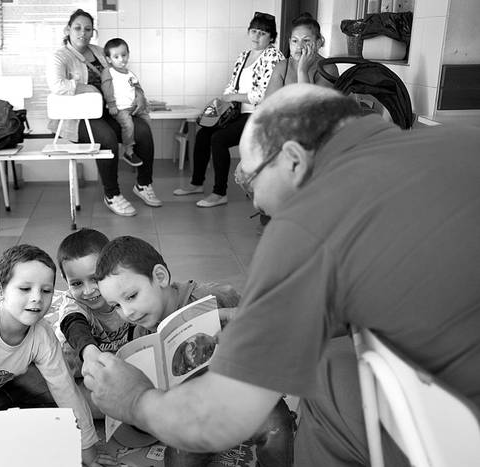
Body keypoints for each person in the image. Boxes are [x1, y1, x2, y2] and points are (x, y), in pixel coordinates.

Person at [82, 84, 480, 466]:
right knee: (341, 359)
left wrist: (135, 400)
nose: (252, 199)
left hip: (464, 435)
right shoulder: (462, 141)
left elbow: (218, 419)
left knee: (325, 378)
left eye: (250, 179)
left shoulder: (308, 224)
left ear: (293, 159)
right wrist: (246, 319)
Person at [93, 236, 294, 467]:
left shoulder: (216, 298)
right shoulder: (141, 335)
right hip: (196, 414)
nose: (127, 312)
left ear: (160, 277)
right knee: (179, 458)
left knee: (277, 425)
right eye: (116, 306)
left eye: (131, 296)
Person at [0, 244, 113, 467]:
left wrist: (87, 448)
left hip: (11, 380)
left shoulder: (42, 334)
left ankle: (17, 415)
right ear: (0, 291)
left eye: (46, 290)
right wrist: (3, 425)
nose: (37, 298)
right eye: (25, 289)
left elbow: (64, 388)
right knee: (4, 451)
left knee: (66, 412)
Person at [47, 9, 161, 217]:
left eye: (88, 29)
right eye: (78, 27)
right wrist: (86, 88)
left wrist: (140, 95)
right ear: (68, 29)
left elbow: (126, 76)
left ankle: (143, 184)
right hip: (80, 117)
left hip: (110, 111)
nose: (83, 32)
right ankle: (112, 194)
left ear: (93, 32)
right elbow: (56, 85)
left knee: (142, 130)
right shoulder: (60, 57)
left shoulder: (100, 51)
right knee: (107, 138)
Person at [173, 11, 283, 208]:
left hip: (259, 115)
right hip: (236, 112)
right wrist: (226, 98)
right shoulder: (244, 55)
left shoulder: (274, 56)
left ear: (272, 37)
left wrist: (233, 97)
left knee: (219, 139)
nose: (256, 36)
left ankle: (219, 193)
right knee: (203, 134)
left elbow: (264, 94)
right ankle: (196, 183)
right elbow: (232, 86)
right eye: (254, 31)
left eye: (263, 33)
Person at [55, 228, 132, 374]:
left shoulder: (122, 289)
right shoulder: (74, 305)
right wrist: (89, 351)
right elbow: (73, 324)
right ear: (65, 280)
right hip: (77, 367)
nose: (88, 291)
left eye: (95, 279)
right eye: (77, 284)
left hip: (113, 358)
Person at [264, 13, 339, 98]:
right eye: (295, 41)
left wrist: (302, 70)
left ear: (318, 43)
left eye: (306, 40)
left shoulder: (328, 68)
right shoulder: (282, 66)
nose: (299, 46)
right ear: (289, 43)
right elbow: (268, 104)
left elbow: (310, 106)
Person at [100, 38, 149, 168]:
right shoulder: (108, 72)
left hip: (133, 107)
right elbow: (106, 88)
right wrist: (111, 104)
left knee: (147, 121)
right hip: (120, 109)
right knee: (128, 125)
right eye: (116, 56)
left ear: (128, 54)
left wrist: (140, 98)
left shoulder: (130, 74)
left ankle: (138, 147)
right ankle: (128, 151)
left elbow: (138, 87)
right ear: (109, 59)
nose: (121, 59)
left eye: (124, 55)